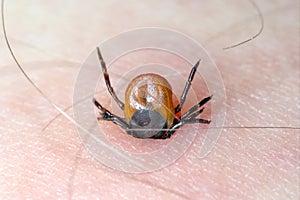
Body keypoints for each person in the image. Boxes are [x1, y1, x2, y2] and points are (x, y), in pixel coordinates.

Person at [0, 0, 299, 199]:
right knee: (150, 110)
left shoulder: (153, 121)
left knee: (124, 106)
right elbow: (175, 114)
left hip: (142, 108)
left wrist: (108, 116)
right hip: (150, 107)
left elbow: (147, 117)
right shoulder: (168, 120)